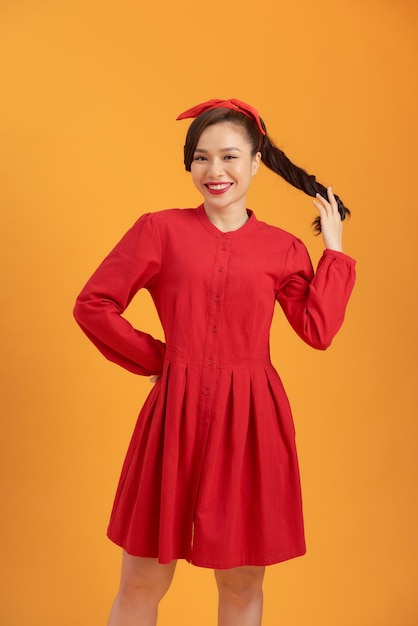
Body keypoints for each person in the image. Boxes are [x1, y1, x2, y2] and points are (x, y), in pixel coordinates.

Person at [73, 98, 356, 626]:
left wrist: (333, 252)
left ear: (255, 163)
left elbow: (317, 331)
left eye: (229, 157)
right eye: (201, 158)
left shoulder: (283, 249)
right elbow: (94, 305)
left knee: (243, 583)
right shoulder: (159, 230)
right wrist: (157, 358)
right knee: (140, 579)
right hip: (172, 417)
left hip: (252, 420)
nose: (215, 171)